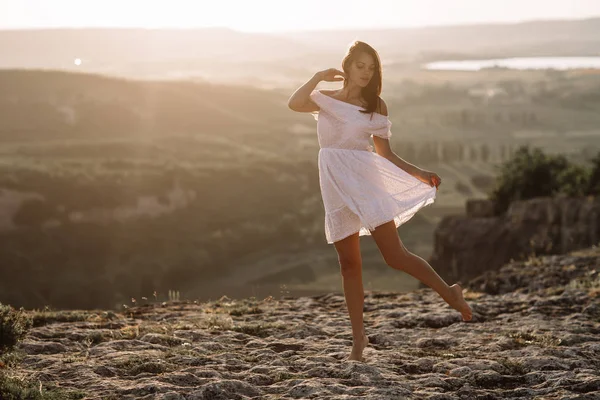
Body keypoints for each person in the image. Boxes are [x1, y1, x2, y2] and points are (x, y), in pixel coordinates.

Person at [287, 41, 472, 362]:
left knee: (394, 256)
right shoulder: (325, 99)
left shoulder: (375, 106)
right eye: (360, 65)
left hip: (365, 181)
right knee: (349, 265)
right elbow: (294, 103)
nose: (365, 72)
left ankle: (449, 293)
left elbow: (385, 153)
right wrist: (317, 76)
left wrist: (418, 172)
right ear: (346, 66)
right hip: (334, 184)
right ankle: (359, 338)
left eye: (371, 68)